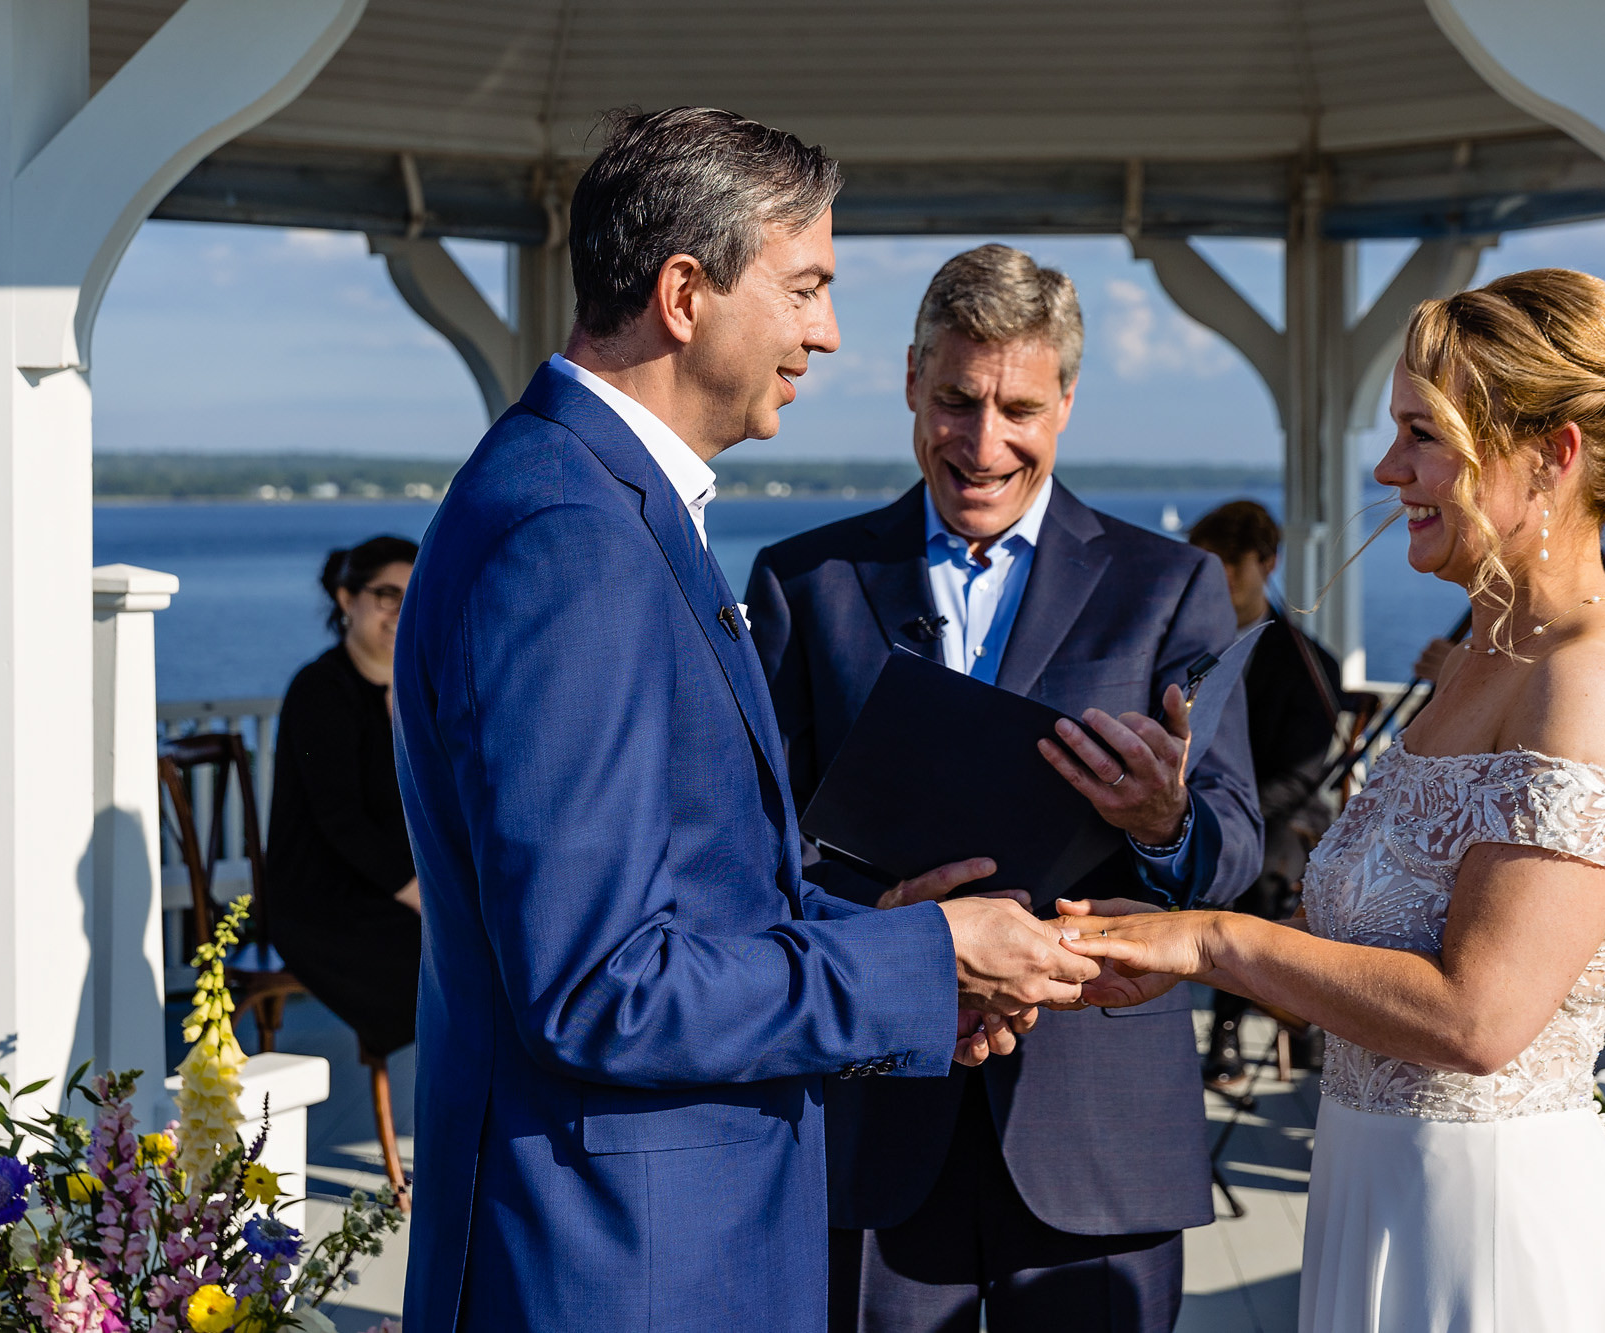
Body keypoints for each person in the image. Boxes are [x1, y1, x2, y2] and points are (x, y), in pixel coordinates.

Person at [391, 109, 1096, 1333]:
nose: (825, 333)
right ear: (683, 292)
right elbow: (598, 985)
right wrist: (921, 961)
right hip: (626, 1267)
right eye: (806, 287)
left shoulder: (585, 500)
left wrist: (915, 958)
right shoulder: (572, 541)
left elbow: (687, 900)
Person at [1059, 268, 1605, 1331]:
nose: (1386, 466)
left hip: (1492, 1236)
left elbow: (1477, 1017)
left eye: (1421, 435)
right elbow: (1360, 953)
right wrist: (1156, 935)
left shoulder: (1597, 682)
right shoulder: (1479, 654)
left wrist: (1213, 943)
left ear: (1551, 455)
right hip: (1375, 1192)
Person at [747, 243, 1261, 1333]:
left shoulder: (1169, 589)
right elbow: (754, 844)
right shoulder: (805, 583)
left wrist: (1164, 824)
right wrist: (882, 925)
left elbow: (1237, 844)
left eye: (1018, 407)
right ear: (908, 383)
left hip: (1097, 1126)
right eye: (954, 402)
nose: (982, 444)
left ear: (1066, 402)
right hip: (878, 1107)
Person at [1184, 499, 1342, 1084]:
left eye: (1233, 563)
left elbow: (1302, 777)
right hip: (1196, 810)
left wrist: (1228, 817)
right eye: (1207, 564)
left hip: (1284, 817)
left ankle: (1230, 1024)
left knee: (1261, 856)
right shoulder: (1185, 653)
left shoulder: (1307, 661)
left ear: (1267, 562)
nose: (1219, 578)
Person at [265, 535, 422, 1059]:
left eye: (413, 593)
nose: (402, 610)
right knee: (460, 958)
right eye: (386, 595)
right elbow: (342, 822)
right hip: (324, 904)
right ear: (345, 598)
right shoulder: (320, 690)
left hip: (385, 892)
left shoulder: (419, 691)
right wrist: (425, 893)